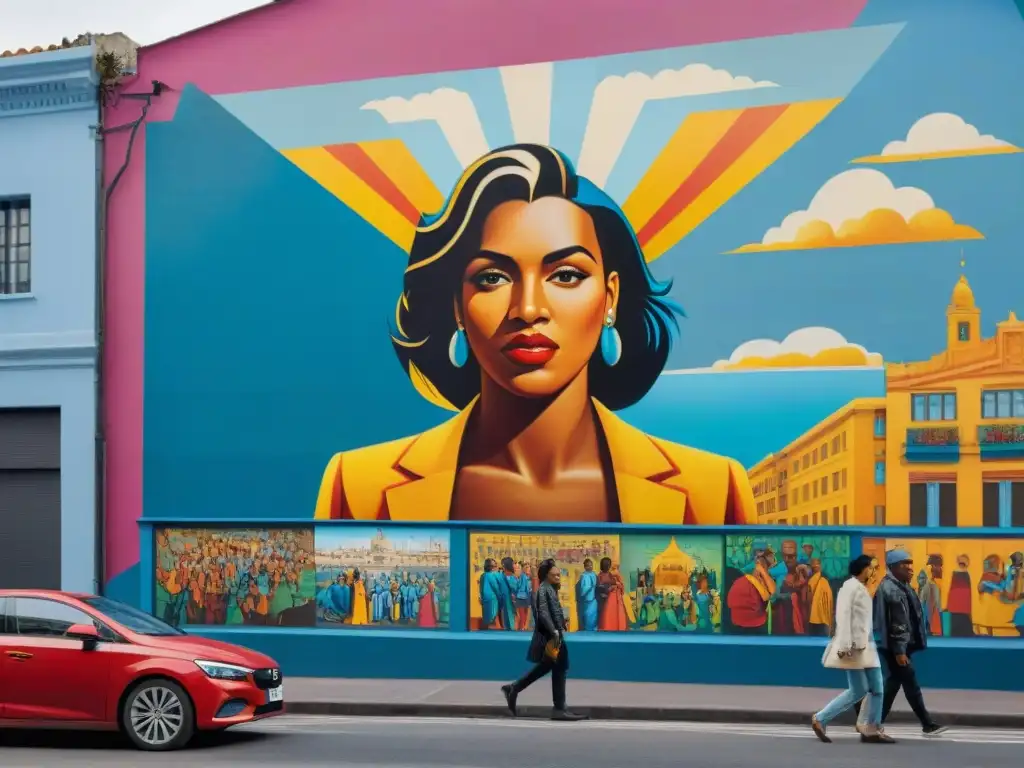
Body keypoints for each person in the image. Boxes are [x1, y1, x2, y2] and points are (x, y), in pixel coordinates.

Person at [314, 143, 755, 526]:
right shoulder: (359, 488)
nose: (528, 310)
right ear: (457, 307)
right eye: (492, 278)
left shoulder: (713, 493)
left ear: (610, 298)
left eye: (565, 275)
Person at [811, 554, 892, 744]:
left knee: (869, 689)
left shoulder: (861, 588)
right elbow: (843, 616)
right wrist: (846, 645)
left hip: (866, 646)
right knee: (868, 689)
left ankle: (866, 725)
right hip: (856, 647)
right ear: (862, 568)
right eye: (871, 568)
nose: (873, 571)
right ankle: (865, 725)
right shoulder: (850, 587)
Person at [501, 558, 586, 721]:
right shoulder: (543, 589)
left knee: (548, 667)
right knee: (560, 667)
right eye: (555, 574)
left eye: (558, 573)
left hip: (553, 633)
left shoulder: (549, 588)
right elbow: (543, 612)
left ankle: (514, 688)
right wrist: (554, 631)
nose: (558, 575)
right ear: (547, 575)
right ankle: (559, 708)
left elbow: (552, 610)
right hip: (551, 635)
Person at [873, 549, 947, 737]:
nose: (910, 568)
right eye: (904, 565)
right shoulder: (891, 589)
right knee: (908, 683)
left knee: (894, 684)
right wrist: (899, 651)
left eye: (910, 564)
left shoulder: (901, 585)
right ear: (892, 567)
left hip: (897, 645)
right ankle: (927, 724)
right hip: (894, 647)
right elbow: (897, 623)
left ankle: (874, 723)